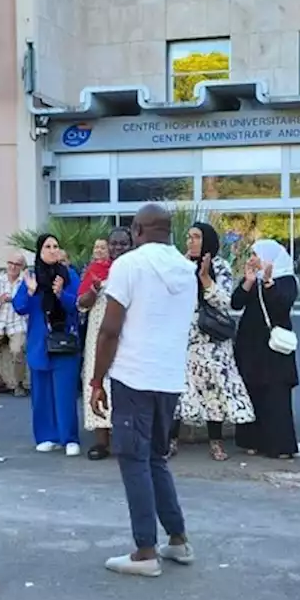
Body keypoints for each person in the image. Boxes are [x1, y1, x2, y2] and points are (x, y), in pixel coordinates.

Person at [88, 204, 196, 578]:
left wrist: (96, 379)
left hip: (134, 375)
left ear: (137, 229)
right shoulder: (187, 269)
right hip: (168, 378)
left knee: (133, 460)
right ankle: (178, 539)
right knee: (155, 458)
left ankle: (145, 550)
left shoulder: (129, 266)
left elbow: (110, 329)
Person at [171, 223, 255, 461]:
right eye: (188, 237)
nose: (191, 241)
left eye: (196, 237)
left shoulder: (221, 266)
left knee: (213, 391)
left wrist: (206, 279)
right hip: (185, 340)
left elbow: (226, 302)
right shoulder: (180, 266)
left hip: (213, 341)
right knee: (179, 391)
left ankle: (216, 443)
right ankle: (171, 440)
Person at [13, 233, 82, 456]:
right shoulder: (32, 277)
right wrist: (31, 291)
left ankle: (69, 437)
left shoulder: (69, 275)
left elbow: (77, 305)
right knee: (41, 393)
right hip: (39, 343)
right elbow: (19, 306)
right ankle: (46, 435)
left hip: (64, 341)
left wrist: (61, 293)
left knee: (65, 392)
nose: (52, 250)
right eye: (47, 246)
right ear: (40, 251)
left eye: (55, 246)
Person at [230, 239, 300, 459]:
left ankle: (279, 445)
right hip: (250, 344)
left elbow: (282, 304)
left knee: (275, 395)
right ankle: (251, 440)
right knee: (252, 391)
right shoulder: (253, 279)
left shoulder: (286, 279)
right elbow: (236, 303)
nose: (251, 259)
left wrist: (269, 282)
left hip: (273, 346)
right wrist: (248, 283)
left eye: (255, 255)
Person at [77, 227, 133, 461]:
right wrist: (94, 289)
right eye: (114, 243)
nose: (118, 248)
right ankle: (101, 440)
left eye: (123, 243)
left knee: (125, 382)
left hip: (129, 334)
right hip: (99, 333)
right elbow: (81, 303)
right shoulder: (97, 269)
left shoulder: (135, 270)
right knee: (96, 378)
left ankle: (124, 439)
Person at [0, 252, 29, 396]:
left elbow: (27, 303)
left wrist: (14, 300)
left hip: (17, 323)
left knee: (17, 349)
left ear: (22, 267)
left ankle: (18, 384)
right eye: (11, 263)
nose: (13, 266)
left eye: (17, 264)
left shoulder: (25, 282)